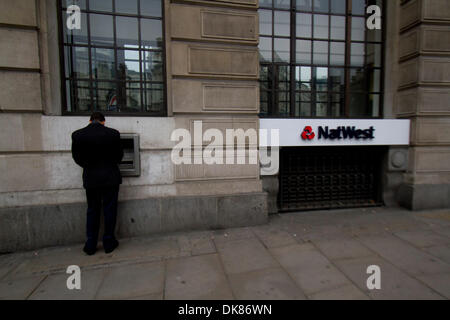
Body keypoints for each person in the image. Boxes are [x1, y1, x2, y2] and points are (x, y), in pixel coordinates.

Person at [71, 112, 124, 255]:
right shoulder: (113, 134)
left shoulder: (78, 135)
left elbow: (77, 158)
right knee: (110, 210)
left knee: (92, 210)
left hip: (91, 179)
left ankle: (91, 244)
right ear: (103, 121)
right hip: (110, 178)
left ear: (89, 120)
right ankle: (109, 242)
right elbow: (119, 157)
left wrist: (90, 167)